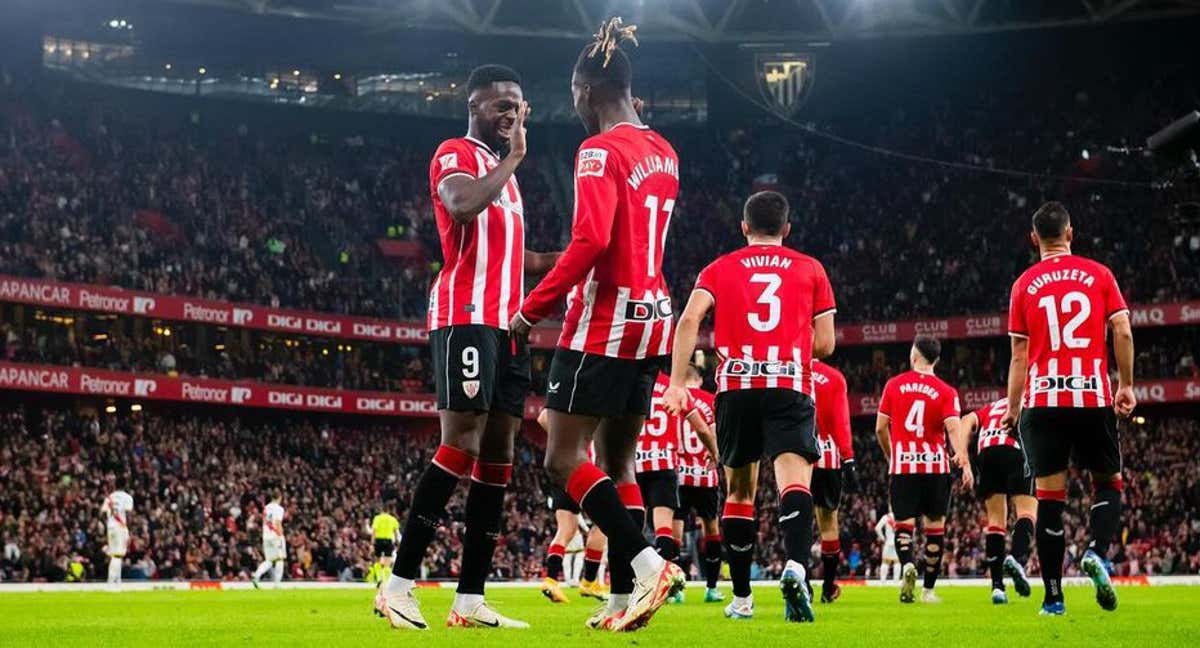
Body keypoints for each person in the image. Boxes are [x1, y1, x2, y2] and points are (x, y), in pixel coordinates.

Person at [510, 16, 685, 633]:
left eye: (575, 93)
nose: (574, 104)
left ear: (587, 89)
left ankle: (645, 565)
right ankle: (618, 600)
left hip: (605, 322)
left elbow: (591, 240)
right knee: (622, 464)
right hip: (655, 319)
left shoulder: (598, 151)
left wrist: (531, 308)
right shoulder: (664, 151)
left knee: (561, 459)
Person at [379, 62, 558, 631]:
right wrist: (514, 159)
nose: (511, 114)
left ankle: (469, 598)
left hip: (509, 326)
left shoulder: (510, 180)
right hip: (465, 317)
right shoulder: (455, 153)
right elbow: (460, 206)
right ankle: (398, 585)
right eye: (501, 105)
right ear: (474, 107)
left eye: (519, 106)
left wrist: (585, 256)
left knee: (500, 456)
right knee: (460, 442)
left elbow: (521, 260)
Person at [664, 190, 837, 624]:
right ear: (787, 229)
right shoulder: (811, 268)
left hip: (736, 386)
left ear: (744, 227)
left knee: (740, 492)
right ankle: (796, 566)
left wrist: (675, 383)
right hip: (789, 383)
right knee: (794, 481)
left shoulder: (719, 268)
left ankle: (741, 599)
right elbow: (827, 344)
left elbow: (688, 321)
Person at [1001, 201, 1136, 616]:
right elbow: (1122, 329)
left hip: (1042, 403)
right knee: (1108, 484)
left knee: (1050, 500)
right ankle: (1096, 551)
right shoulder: (1100, 275)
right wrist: (1126, 385)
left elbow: (1019, 355)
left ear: (1033, 238)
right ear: (1070, 234)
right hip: (1090, 396)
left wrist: (1012, 408)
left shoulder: (1023, 284)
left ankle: (1054, 597)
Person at [874, 335, 972, 604]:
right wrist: (961, 457)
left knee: (904, 524)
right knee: (935, 529)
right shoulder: (946, 391)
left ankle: (906, 564)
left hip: (903, 466)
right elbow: (953, 427)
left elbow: (880, 428)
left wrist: (892, 456)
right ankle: (928, 590)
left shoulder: (894, 385)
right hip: (935, 468)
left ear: (913, 355)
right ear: (936, 360)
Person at [963, 398, 1035, 604]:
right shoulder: (1030, 398)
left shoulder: (992, 406)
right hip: (1013, 446)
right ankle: (1017, 558)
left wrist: (962, 455)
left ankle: (997, 587)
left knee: (995, 521)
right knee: (1027, 512)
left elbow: (966, 420)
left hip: (986, 449)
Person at [537, 410, 610, 604]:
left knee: (566, 530)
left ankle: (551, 580)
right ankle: (589, 582)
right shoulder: (592, 404)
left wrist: (563, 439)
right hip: (586, 470)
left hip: (562, 470)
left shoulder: (564, 400)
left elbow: (543, 417)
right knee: (602, 525)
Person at [672, 365, 724, 604]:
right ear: (700, 380)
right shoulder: (710, 401)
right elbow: (715, 434)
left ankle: (676, 590)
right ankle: (712, 588)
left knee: (675, 533)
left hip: (679, 475)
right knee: (711, 530)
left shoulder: (674, 400)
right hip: (706, 475)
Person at [810, 359, 859, 603]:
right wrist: (848, 457)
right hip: (826, 456)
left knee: (794, 518)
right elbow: (841, 421)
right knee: (828, 523)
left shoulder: (786, 368)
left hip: (792, 454)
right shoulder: (833, 377)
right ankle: (828, 588)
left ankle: (802, 584)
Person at [101, 478, 134, 589]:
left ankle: (117, 582)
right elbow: (129, 514)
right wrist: (129, 529)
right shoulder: (127, 497)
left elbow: (102, 513)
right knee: (117, 555)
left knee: (114, 554)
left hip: (110, 527)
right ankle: (111, 583)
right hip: (120, 527)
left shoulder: (109, 497)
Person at [252, 494, 286, 587]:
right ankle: (277, 584)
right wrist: (280, 535)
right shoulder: (279, 509)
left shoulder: (266, 508)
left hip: (266, 536)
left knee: (269, 560)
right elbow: (277, 522)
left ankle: (256, 575)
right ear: (280, 497)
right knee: (280, 559)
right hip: (275, 536)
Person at [368, 507, 400, 588]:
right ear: (389, 511)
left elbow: (374, 531)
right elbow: (396, 532)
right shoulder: (393, 519)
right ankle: (386, 580)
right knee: (387, 563)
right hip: (388, 541)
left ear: (381, 510)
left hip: (378, 541)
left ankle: (379, 578)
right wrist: (397, 543)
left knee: (377, 561)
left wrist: (372, 544)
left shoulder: (377, 518)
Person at [874, 511, 899, 582]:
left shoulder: (886, 517)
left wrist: (883, 538)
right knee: (897, 562)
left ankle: (882, 581)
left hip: (888, 542)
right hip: (897, 543)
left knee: (885, 562)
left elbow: (877, 528)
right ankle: (896, 581)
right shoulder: (901, 516)